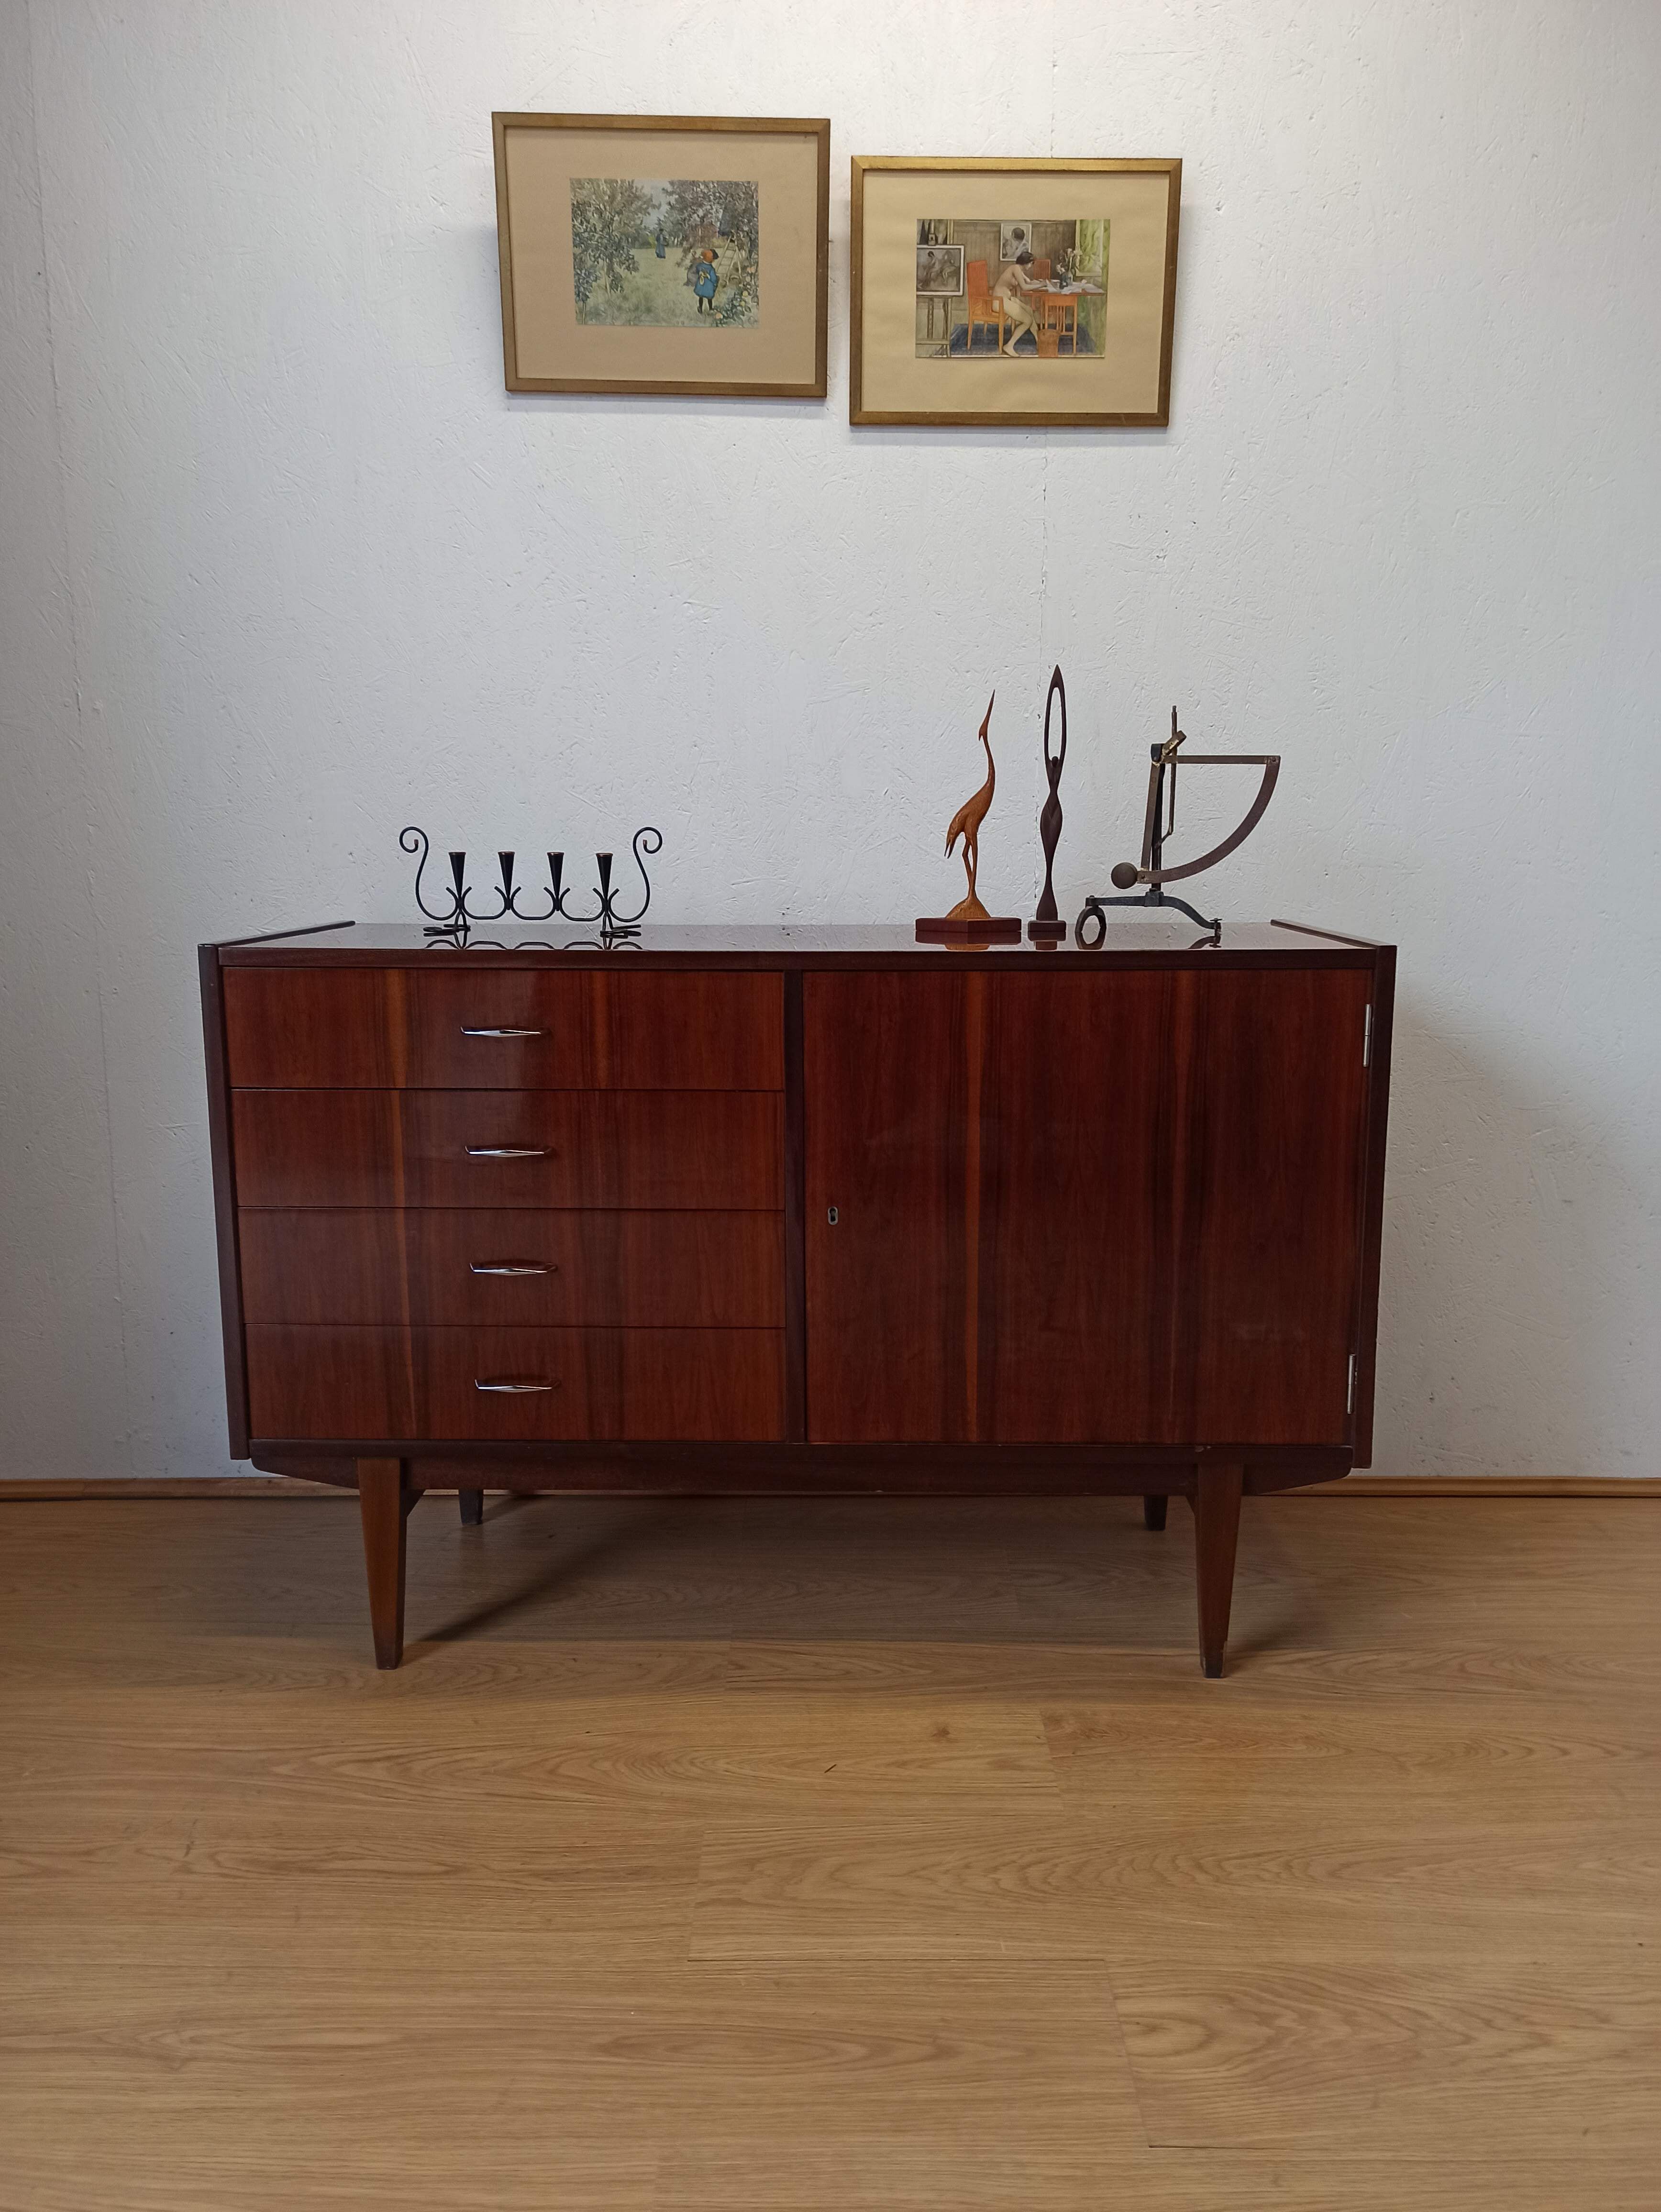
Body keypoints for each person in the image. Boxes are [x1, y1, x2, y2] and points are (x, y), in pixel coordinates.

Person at [993, 250, 1042, 354]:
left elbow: (1029, 282)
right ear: (1026, 262)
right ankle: (1009, 346)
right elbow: (1024, 287)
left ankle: (1039, 341)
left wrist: (1043, 283)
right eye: (1031, 264)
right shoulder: (1015, 269)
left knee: (1029, 310)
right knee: (1027, 320)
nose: (1031, 266)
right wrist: (1041, 286)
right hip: (999, 302)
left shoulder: (1019, 269)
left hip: (1007, 299)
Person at [692, 248, 720, 313]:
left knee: (700, 298)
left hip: (701, 285)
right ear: (712, 260)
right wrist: (716, 283)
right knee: (710, 299)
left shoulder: (700, 266)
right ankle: (710, 309)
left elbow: (697, 270)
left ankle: (700, 308)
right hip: (709, 287)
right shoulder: (711, 269)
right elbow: (714, 279)